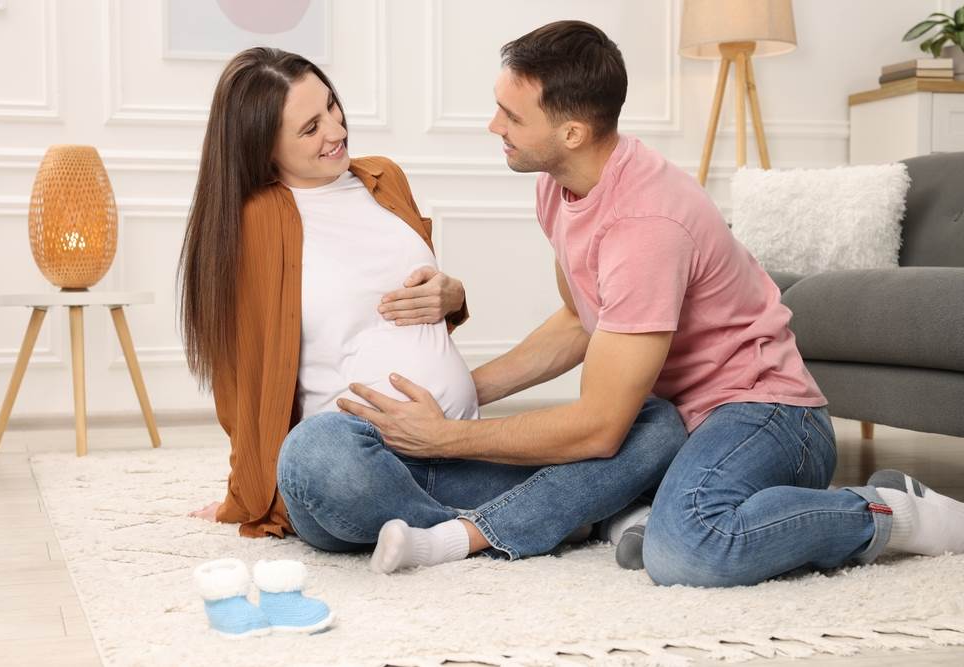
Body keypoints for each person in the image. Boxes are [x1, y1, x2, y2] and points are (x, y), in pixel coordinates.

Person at [345, 21, 964, 584]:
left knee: (689, 547)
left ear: (571, 132)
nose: (494, 126)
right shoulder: (559, 185)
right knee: (516, 470)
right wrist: (464, 392)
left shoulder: (645, 224)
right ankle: (643, 508)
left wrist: (448, 435)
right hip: (670, 418)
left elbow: (599, 425)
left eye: (510, 115)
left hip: (767, 415)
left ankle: (889, 511)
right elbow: (579, 320)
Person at [178, 47, 688, 570]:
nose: (336, 130)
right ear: (263, 147)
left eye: (331, 106)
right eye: (310, 128)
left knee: (658, 423)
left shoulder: (382, 179)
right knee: (313, 455)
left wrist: (452, 296)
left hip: (459, 450)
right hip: (362, 458)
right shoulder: (253, 225)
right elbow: (240, 373)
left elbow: (400, 311)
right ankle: (576, 512)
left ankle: (466, 533)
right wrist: (243, 491)